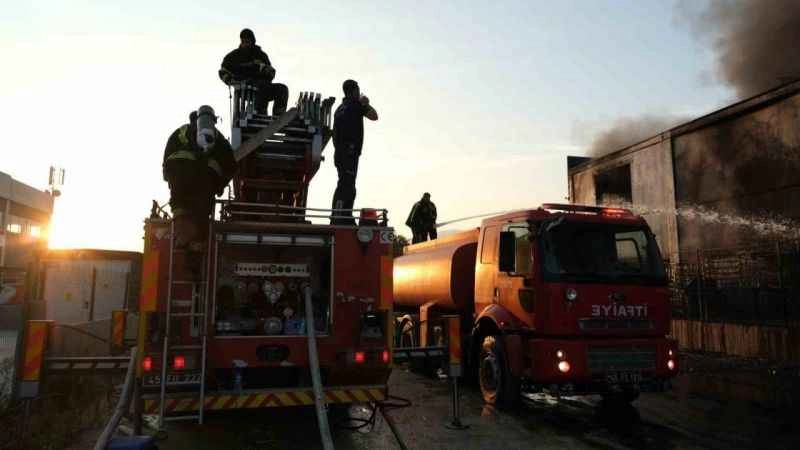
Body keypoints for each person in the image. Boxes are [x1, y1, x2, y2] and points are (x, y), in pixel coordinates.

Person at [163, 105, 236, 252]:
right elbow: (231, 165)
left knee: (179, 205)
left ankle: (181, 235)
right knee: (202, 208)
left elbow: (168, 155)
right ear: (213, 120)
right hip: (205, 178)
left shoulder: (180, 132)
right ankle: (198, 242)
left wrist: (167, 175)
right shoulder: (218, 137)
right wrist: (220, 185)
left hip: (179, 175)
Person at [330, 79, 378, 225]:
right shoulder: (356, 105)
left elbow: (334, 134)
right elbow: (374, 116)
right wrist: (366, 103)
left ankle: (342, 215)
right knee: (347, 186)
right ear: (354, 91)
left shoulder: (339, 109)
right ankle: (340, 217)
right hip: (349, 153)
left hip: (340, 153)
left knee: (345, 184)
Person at [219, 28, 289, 116]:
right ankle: (257, 111)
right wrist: (231, 81)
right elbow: (223, 71)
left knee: (282, 89)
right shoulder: (233, 57)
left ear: (252, 41)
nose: (245, 44)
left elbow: (271, 73)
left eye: (247, 41)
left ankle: (279, 116)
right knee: (259, 89)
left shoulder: (261, 55)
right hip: (245, 88)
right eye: (243, 41)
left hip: (263, 87)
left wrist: (263, 68)